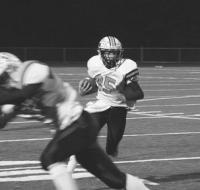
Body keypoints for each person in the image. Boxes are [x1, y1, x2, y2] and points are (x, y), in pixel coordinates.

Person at [0, 52, 152, 190]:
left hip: (78, 123)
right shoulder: (12, 96)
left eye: (2, 79)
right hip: (76, 130)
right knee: (114, 179)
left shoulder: (32, 69)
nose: (2, 85)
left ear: (11, 69)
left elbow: (24, 95)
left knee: (50, 158)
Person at [79, 36, 144, 157]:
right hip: (100, 105)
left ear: (119, 53)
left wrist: (124, 96)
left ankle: (108, 161)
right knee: (84, 136)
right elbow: (97, 82)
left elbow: (138, 93)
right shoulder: (94, 62)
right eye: (107, 52)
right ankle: (69, 171)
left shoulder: (127, 65)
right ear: (100, 52)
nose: (111, 56)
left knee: (111, 147)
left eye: (114, 53)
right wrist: (86, 88)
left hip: (118, 109)